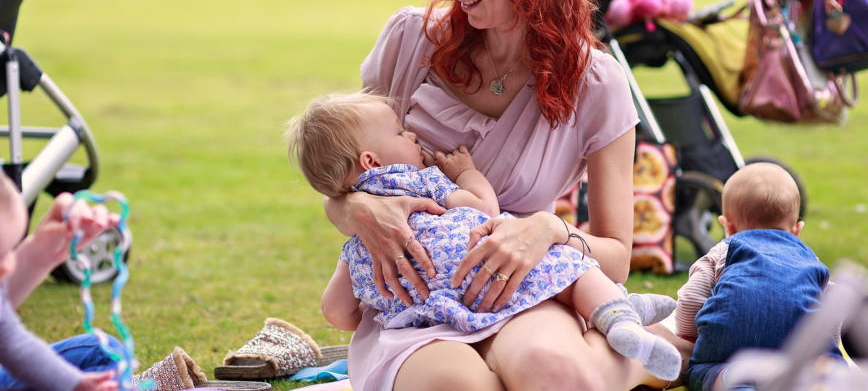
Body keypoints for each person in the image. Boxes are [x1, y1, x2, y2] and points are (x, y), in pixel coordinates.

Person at [315, 0, 686, 389]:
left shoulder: (597, 84)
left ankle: (624, 348)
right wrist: (354, 209)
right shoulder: (409, 42)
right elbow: (348, 172)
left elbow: (619, 253)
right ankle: (633, 351)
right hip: (417, 310)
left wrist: (551, 231)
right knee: (460, 386)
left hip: (524, 292)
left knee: (552, 371)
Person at [287, 92, 681, 379]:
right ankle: (618, 313)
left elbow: (336, 311)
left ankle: (624, 326)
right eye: (400, 132)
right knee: (565, 271)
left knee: (551, 348)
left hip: (431, 309)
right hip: (489, 279)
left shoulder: (359, 243)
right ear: (371, 160)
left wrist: (361, 305)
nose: (412, 137)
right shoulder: (424, 183)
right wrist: (466, 173)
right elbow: (483, 209)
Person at [674, 163, 840, 391]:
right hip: (799, 350)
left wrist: (688, 335)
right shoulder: (808, 259)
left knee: (704, 371)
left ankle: (735, 380)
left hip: (730, 350)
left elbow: (692, 297)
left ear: (727, 226)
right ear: (797, 229)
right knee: (824, 370)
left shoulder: (724, 250)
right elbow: (833, 306)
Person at [0, 153, 122, 390]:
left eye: (10, 250)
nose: (7, 266)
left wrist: (75, 384)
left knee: (103, 353)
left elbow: (20, 348)